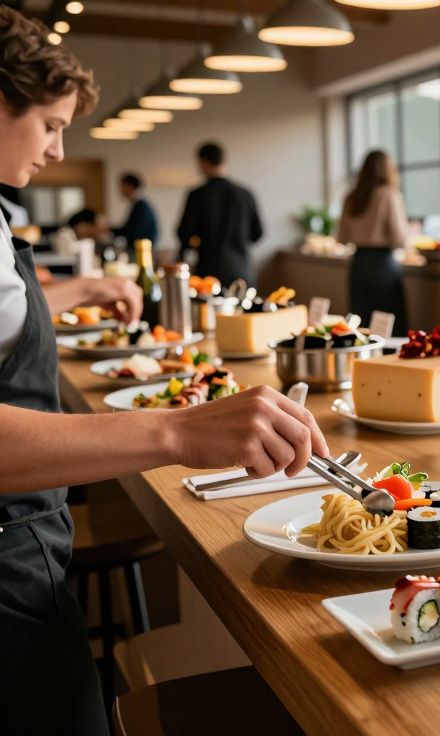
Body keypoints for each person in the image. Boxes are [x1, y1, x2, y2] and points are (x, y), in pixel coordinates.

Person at [0, 11, 327, 734]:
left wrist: (83, 289)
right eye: (50, 125)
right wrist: (179, 430)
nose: (58, 149)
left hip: (31, 541)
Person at [337, 149, 410, 335]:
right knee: (390, 326)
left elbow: (341, 238)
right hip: (383, 266)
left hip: (359, 264)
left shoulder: (352, 197)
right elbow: (399, 238)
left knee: (362, 325)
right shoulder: (388, 194)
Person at [176, 141, 263, 287]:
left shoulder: (198, 195)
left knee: (208, 303)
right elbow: (257, 233)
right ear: (224, 161)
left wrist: (195, 244)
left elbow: (184, 233)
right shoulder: (245, 194)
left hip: (209, 271)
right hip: (241, 269)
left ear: (202, 162)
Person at [111, 171, 158, 245]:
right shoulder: (139, 204)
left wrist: (110, 230)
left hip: (140, 248)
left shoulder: (141, 207)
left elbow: (131, 231)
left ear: (129, 186)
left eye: (122, 186)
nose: (120, 190)